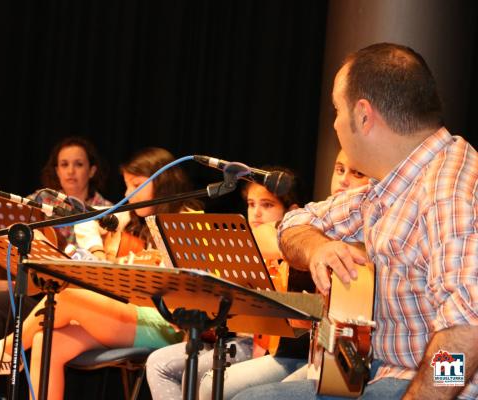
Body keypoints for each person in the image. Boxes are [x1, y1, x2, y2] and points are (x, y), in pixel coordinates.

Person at [233, 43, 478, 399]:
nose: (334, 123)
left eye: (336, 109)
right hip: (380, 374)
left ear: (363, 115)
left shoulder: (450, 189)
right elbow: (293, 223)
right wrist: (318, 247)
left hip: (424, 385)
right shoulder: (387, 185)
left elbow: (469, 326)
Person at [0, 147, 203, 400]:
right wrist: (99, 253)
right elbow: (94, 221)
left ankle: (5, 352)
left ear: (163, 184)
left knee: (67, 299)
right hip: (133, 315)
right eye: (127, 186)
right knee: (45, 340)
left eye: (136, 185)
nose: (129, 195)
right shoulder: (140, 218)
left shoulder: (189, 222)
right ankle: (6, 355)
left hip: (167, 324)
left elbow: (191, 289)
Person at [0, 136, 112, 400]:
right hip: (36, 288)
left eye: (78, 164)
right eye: (64, 164)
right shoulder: (39, 200)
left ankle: (9, 354)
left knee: (9, 300)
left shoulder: (107, 212)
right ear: (56, 170)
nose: (71, 171)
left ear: (92, 170)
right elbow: (10, 238)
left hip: (73, 302)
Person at [195, 153, 369, 399]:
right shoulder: (316, 223)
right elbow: (268, 235)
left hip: (323, 360)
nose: (342, 181)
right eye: (339, 170)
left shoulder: (371, 233)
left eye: (357, 173)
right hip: (307, 353)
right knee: (208, 380)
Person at [145, 166, 303, 399]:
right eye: (251, 204)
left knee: (202, 378)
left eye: (267, 205)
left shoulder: (291, 254)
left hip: (265, 348)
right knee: (158, 362)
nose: (256, 213)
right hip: (232, 338)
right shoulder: (236, 247)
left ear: (292, 211)